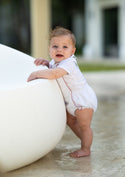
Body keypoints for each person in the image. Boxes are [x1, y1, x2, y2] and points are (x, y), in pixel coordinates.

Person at [27, 27, 97, 158]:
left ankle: (86, 148)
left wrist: (37, 73)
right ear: (49, 49)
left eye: (65, 47)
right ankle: (85, 140)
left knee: (84, 125)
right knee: (70, 121)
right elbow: (53, 68)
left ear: (73, 51)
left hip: (83, 100)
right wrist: (46, 64)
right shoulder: (55, 62)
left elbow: (55, 74)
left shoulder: (70, 63)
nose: (59, 49)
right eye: (55, 46)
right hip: (71, 101)